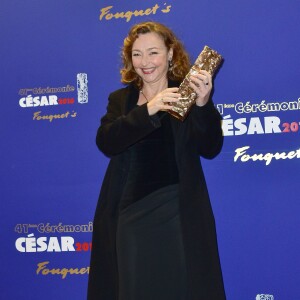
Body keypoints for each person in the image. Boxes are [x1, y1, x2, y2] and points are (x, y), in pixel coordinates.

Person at [88, 21, 226, 300]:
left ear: (171, 53)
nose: (144, 62)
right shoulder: (121, 100)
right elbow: (106, 141)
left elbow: (210, 147)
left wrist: (203, 105)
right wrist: (149, 109)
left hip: (178, 212)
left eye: (153, 52)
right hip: (130, 216)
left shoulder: (187, 93)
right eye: (137, 54)